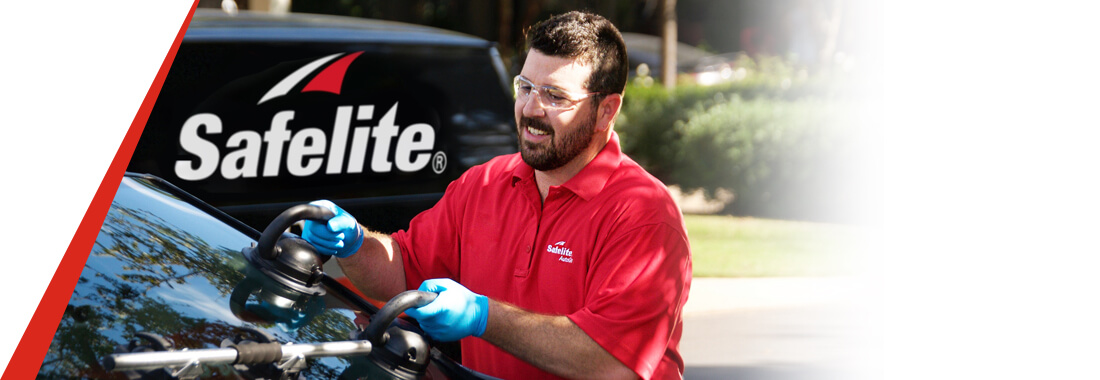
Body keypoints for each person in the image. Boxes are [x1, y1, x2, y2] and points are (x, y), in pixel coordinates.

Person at [303, 11, 692, 380]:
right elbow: (403, 270)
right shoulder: (486, 183)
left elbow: (612, 363)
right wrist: (355, 244)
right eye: (526, 87)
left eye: (555, 96)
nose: (531, 109)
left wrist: (482, 316)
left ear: (606, 111)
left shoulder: (643, 214)